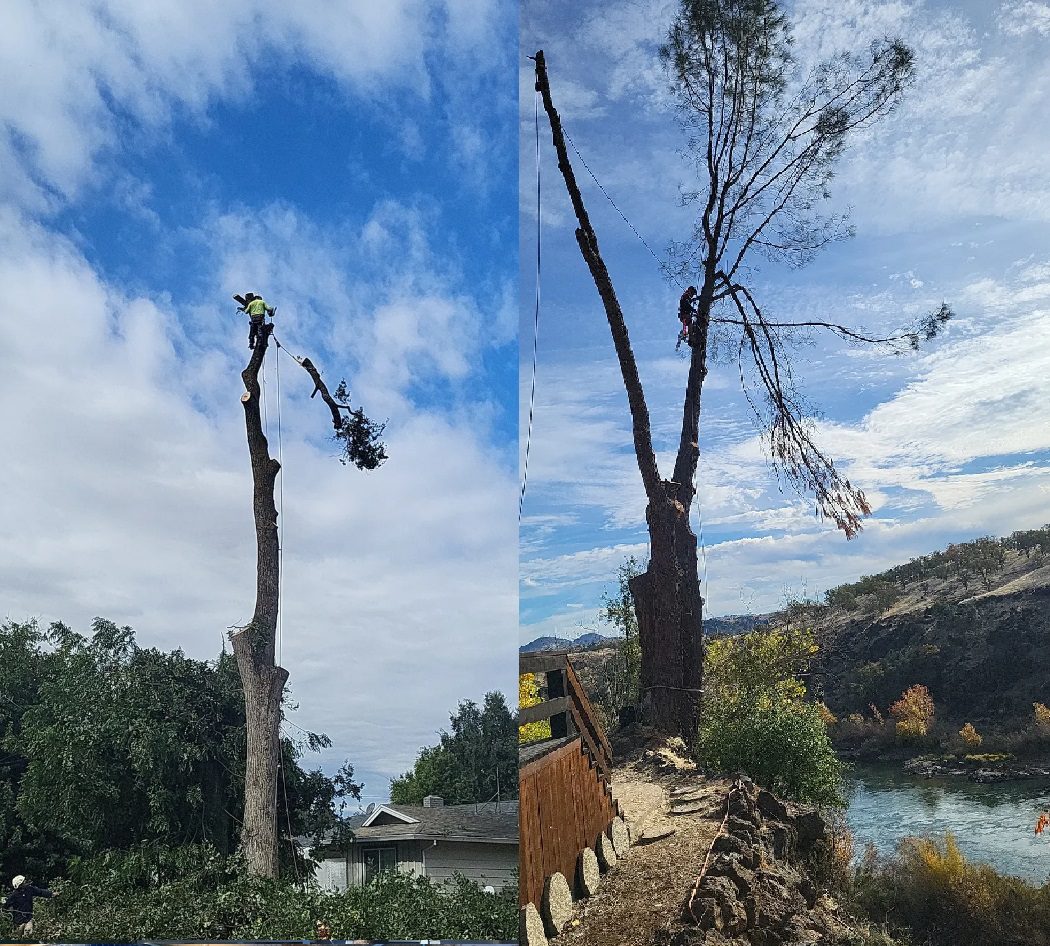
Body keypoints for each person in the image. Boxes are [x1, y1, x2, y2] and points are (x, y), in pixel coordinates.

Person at [677, 285, 698, 350]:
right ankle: (690, 340)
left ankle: (687, 335)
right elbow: (686, 304)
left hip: (685, 315)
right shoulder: (685, 296)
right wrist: (692, 309)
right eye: (692, 294)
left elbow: (688, 302)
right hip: (684, 315)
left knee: (692, 324)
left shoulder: (687, 297)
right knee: (690, 324)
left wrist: (695, 300)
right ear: (690, 291)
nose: (692, 295)